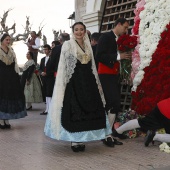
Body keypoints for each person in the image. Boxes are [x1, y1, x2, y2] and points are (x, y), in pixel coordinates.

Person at [44, 22, 121, 152]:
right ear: (73, 31)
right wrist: (63, 84)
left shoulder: (88, 45)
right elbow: (63, 66)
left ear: (85, 31)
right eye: (76, 30)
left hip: (88, 82)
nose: (79, 32)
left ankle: (83, 137)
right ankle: (75, 141)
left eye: (81, 29)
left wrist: (96, 83)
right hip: (73, 83)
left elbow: (92, 66)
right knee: (75, 110)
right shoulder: (68, 45)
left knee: (88, 109)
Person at [96, 18, 131, 141]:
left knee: (113, 104)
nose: (126, 30)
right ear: (118, 24)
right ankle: (107, 133)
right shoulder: (106, 37)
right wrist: (118, 56)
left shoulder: (120, 39)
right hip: (105, 75)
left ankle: (108, 132)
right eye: (125, 27)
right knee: (113, 103)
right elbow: (99, 56)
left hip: (114, 75)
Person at [0, 33, 27, 129]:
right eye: (6, 39)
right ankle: (1, 120)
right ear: (2, 40)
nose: (8, 41)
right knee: (2, 97)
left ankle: (6, 119)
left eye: (9, 40)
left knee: (9, 97)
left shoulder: (11, 51)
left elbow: (14, 64)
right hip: (1, 78)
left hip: (11, 78)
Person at [39, 44, 55, 115]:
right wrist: (41, 72)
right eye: (44, 49)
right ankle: (47, 109)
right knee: (46, 93)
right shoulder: (42, 59)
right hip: (44, 78)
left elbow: (54, 69)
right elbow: (40, 68)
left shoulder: (52, 59)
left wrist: (47, 73)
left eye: (46, 49)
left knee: (49, 93)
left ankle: (50, 109)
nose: (45, 51)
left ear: (49, 50)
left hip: (50, 78)